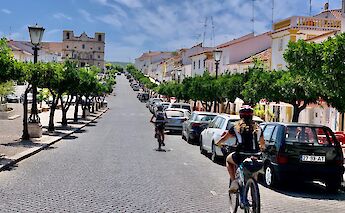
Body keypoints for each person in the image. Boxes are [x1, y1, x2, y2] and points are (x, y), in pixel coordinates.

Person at [216, 105, 265, 192]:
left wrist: (218, 143)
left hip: (241, 155)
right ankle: (254, 193)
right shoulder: (258, 128)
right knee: (254, 172)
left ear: (240, 115)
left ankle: (234, 181)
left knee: (228, 160)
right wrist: (261, 148)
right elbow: (262, 144)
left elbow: (224, 138)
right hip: (255, 155)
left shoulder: (236, 127)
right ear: (252, 115)